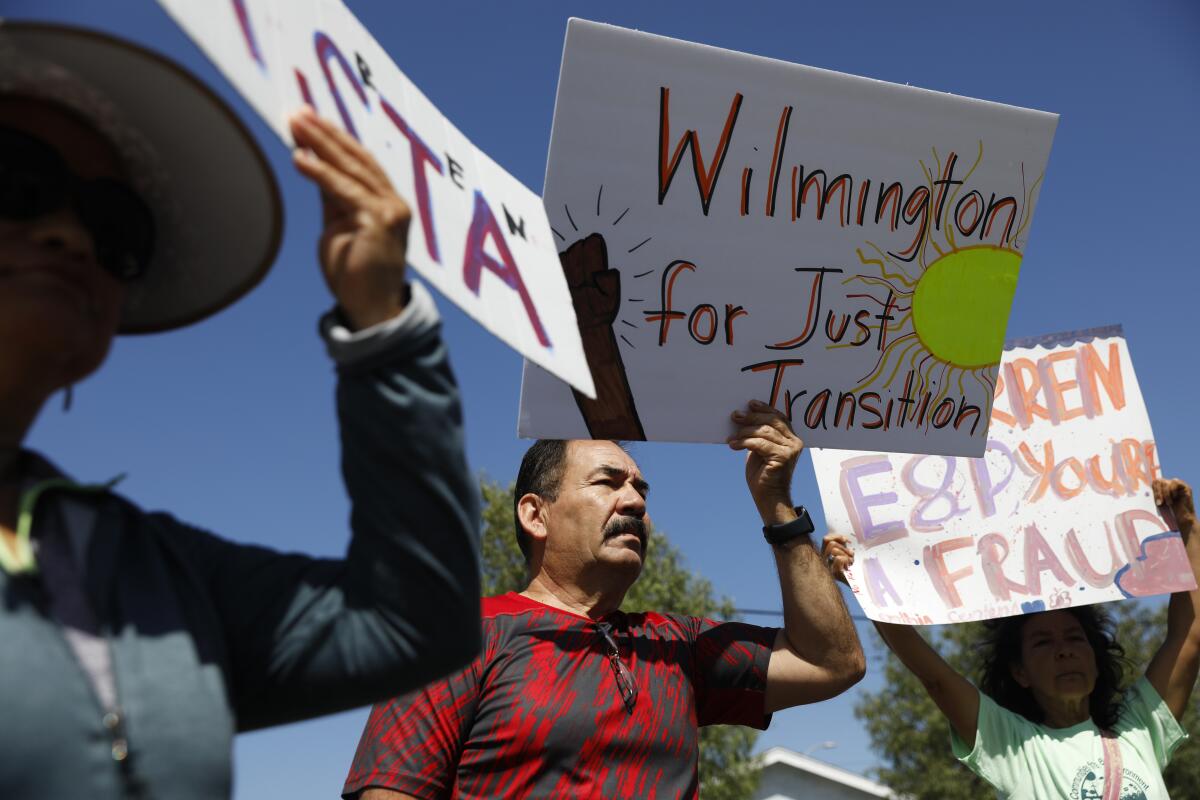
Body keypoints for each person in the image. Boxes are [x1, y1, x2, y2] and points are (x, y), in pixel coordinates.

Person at [0, 21, 480, 799]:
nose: (70, 235)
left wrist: (383, 328)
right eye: (16, 183)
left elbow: (413, 622)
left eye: (115, 228)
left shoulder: (149, 567)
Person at [344, 400, 866, 799]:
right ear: (535, 514)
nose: (635, 501)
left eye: (641, 489)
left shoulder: (674, 646)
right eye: (607, 482)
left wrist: (777, 506)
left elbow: (832, 663)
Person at [822, 478, 1199, 799]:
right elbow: (935, 677)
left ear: (1096, 658)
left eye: (1074, 638)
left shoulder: (1140, 730)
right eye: (1042, 643)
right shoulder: (1012, 744)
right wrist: (864, 587)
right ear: (1020, 672)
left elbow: (1190, 636)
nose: (1064, 650)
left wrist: (1188, 529)